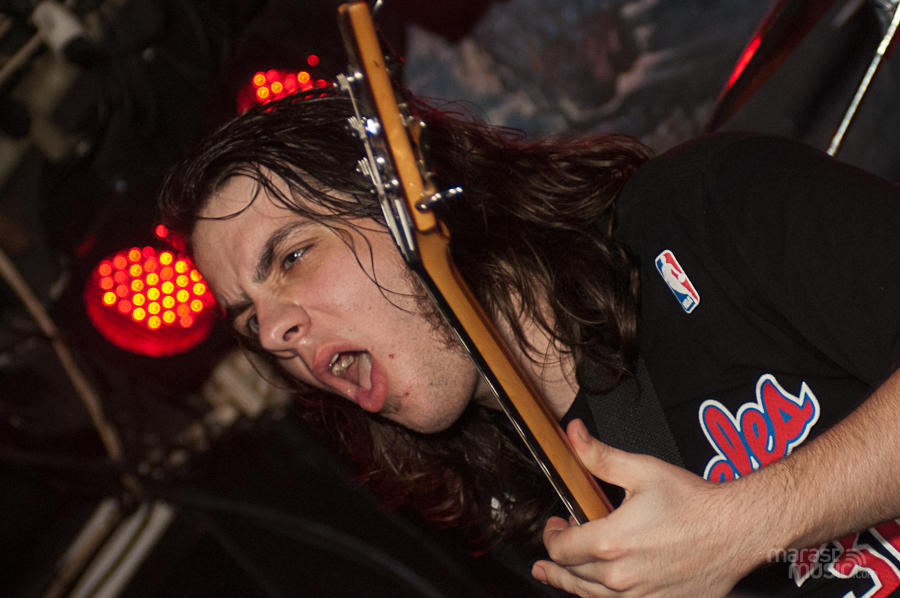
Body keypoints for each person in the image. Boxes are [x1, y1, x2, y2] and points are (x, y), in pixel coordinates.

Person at [158, 90, 900, 597]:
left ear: (414, 202)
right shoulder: (537, 521)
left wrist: (743, 526)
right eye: (249, 323)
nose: (275, 333)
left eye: (293, 257)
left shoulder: (704, 210)